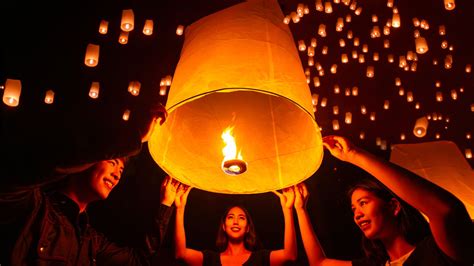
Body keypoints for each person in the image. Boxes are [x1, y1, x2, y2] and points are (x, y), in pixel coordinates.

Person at [0, 103, 181, 265]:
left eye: (121, 170)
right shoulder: (31, 208)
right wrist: (135, 137)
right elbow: (29, 168)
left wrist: (166, 204)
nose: (117, 174)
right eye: (113, 162)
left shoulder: (91, 243)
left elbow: (140, 261)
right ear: (87, 162)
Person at [294, 135, 474, 266]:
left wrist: (354, 155)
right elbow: (319, 263)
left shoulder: (434, 254)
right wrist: (300, 208)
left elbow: (445, 210)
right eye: (353, 208)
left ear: (394, 206)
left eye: (363, 203)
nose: (357, 214)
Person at [174, 185, 298, 265]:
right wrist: (180, 209)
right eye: (230, 217)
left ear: (248, 227)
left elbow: (290, 255)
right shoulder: (209, 259)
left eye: (241, 218)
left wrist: (288, 210)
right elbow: (181, 253)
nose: (235, 222)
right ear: (223, 226)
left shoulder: (261, 259)